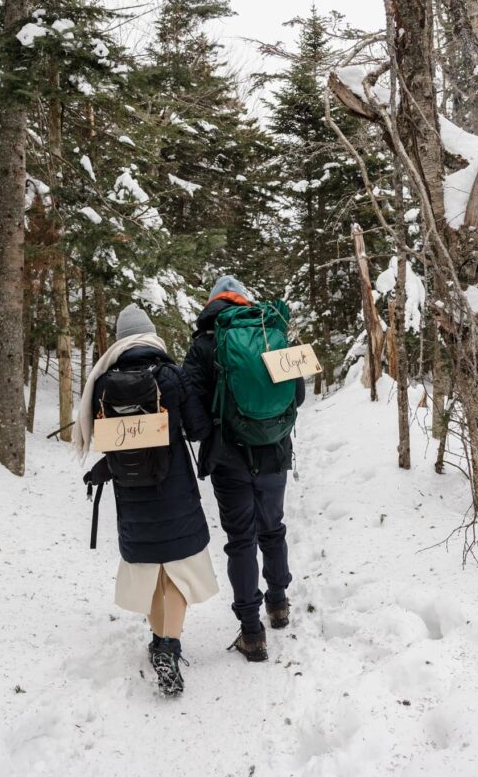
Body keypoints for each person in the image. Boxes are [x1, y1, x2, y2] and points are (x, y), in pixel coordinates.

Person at [73, 303, 218, 697]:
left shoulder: (103, 383)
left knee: (152, 570)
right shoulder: (170, 374)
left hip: (131, 495)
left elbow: (109, 441)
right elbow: (198, 428)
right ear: (151, 336)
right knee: (178, 573)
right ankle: (169, 647)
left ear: (121, 340)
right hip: (174, 490)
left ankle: (157, 642)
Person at [183, 275, 305, 663]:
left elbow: (190, 403)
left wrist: (210, 435)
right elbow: (297, 394)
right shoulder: (271, 334)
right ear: (245, 299)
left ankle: (252, 633)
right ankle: (279, 604)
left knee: (240, 540)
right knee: (273, 528)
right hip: (273, 452)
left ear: (213, 303)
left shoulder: (205, 343)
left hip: (228, 457)